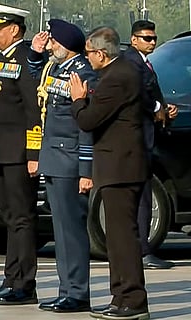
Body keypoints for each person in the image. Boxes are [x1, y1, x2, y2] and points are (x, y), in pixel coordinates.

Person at [69, 26, 150, 320]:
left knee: (122, 238)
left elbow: (89, 120)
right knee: (115, 238)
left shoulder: (117, 78)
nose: (87, 59)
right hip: (117, 166)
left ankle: (133, 299)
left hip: (121, 168)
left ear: (101, 54)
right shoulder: (116, 74)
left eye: (89, 53)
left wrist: (78, 99)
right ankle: (121, 297)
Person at [28, 19, 96, 313]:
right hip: (54, 158)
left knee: (72, 231)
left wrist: (85, 170)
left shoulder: (83, 74)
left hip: (70, 160)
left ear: (67, 44)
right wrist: (35, 53)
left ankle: (78, 292)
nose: (51, 45)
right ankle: (65, 288)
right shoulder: (55, 68)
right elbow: (36, 82)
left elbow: (85, 126)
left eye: (54, 41)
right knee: (60, 230)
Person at [0, 3, 42, 305]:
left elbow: (33, 109)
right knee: (10, 218)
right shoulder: (1, 59)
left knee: (22, 218)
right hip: (1, 153)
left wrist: (33, 152)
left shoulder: (25, 58)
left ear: (14, 29)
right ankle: (11, 279)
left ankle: (24, 283)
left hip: (18, 153)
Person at [122, 20, 178, 270]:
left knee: (141, 197)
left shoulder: (142, 62)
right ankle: (142, 250)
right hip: (136, 140)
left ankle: (140, 249)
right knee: (141, 198)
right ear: (133, 39)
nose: (152, 42)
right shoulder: (132, 63)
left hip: (145, 137)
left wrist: (164, 110)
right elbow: (137, 95)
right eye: (147, 38)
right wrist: (157, 109)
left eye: (154, 38)